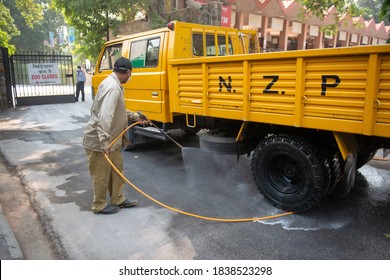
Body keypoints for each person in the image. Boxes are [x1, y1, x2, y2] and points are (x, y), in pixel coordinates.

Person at [83, 57, 148, 214]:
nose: (129, 77)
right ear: (127, 72)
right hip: (100, 141)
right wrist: (104, 143)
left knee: (117, 170)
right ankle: (99, 205)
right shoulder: (113, 88)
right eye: (130, 75)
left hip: (113, 141)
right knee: (101, 175)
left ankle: (117, 199)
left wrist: (135, 116)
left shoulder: (114, 84)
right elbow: (105, 116)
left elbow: (116, 112)